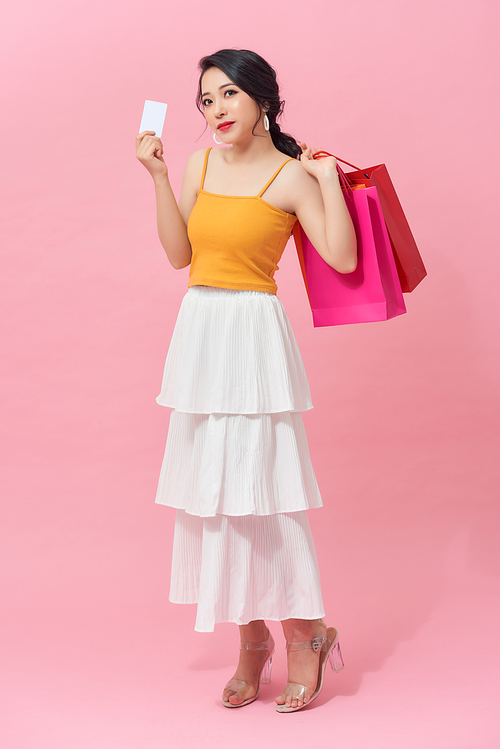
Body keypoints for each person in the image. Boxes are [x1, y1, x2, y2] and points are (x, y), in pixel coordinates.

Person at [136, 48, 357, 713]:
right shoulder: (200, 163)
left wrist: (324, 183)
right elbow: (181, 255)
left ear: (262, 100)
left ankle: (306, 634)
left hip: (255, 336)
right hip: (201, 331)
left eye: (228, 94)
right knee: (216, 496)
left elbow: (343, 259)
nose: (216, 110)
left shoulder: (291, 176)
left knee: (268, 493)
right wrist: (157, 175)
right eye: (206, 101)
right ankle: (251, 640)